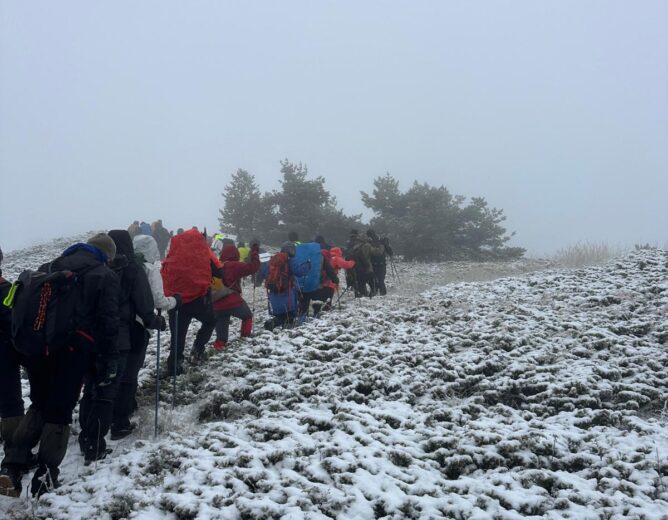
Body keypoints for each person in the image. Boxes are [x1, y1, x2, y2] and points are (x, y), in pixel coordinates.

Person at [10, 233, 120, 496]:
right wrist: (109, 359)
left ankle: (11, 465)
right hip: (72, 353)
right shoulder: (103, 275)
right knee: (59, 413)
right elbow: (108, 323)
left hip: (39, 350)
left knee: (38, 405)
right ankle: (46, 476)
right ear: (106, 255)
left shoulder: (50, 266)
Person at [78, 230, 162, 464]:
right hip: (123, 335)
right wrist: (155, 322)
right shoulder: (132, 269)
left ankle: (86, 436)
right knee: (121, 382)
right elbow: (145, 305)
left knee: (92, 386)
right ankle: (116, 426)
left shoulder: (91, 269)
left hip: (87, 336)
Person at [109, 233, 175, 440]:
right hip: (135, 328)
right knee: (128, 375)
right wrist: (174, 303)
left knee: (108, 375)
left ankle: (104, 418)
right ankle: (121, 420)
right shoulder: (144, 269)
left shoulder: (105, 267)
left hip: (104, 329)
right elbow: (155, 301)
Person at [162, 229, 223, 374]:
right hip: (198, 299)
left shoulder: (174, 253)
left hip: (176, 301)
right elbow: (220, 273)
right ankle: (197, 349)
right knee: (211, 321)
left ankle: (174, 365)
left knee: (178, 334)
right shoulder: (204, 253)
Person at [0, 245, 29, 497]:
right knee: (11, 408)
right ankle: (11, 467)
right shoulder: (7, 290)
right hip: (4, 357)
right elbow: (14, 326)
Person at [211, 242, 260, 350]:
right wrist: (255, 252)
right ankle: (244, 338)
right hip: (232, 300)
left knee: (222, 322)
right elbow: (254, 267)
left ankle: (219, 344)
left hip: (216, 302)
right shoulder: (234, 265)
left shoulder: (218, 265)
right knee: (247, 315)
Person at [263, 241, 310, 330]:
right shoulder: (290, 260)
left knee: (280, 314)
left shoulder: (273, 260)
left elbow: (265, 273)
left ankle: (275, 324)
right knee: (289, 315)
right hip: (287, 292)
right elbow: (299, 272)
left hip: (274, 292)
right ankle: (284, 330)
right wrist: (307, 265)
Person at [366, 229, 393, 296]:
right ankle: (382, 294)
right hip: (381, 264)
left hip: (373, 264)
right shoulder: (381, 240)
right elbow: (390, 252)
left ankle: (374, 294)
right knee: (381, 280)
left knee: (374, 280)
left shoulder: (368, 242)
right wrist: (386, 244)